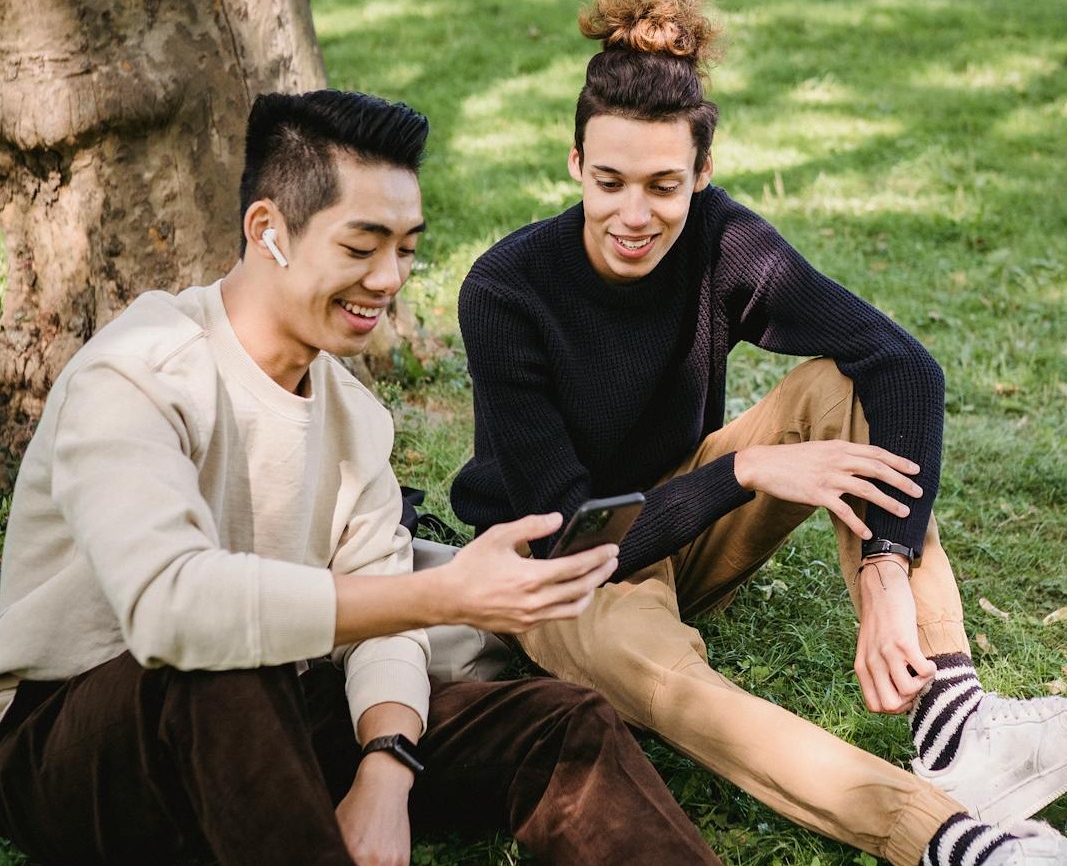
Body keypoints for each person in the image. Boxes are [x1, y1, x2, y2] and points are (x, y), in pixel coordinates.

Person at [450, 0, 1067, 866]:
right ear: (573, 165)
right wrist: (743, 474)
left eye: (665, 185)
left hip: (682, 519)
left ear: (702, 175)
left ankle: (955, 726)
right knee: (678, 685)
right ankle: (951, 839)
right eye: (610, 181)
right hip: (556, 573)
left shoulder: (720, 239)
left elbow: (900, 366)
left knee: (841, 383)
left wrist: (885, 567)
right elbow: (577, 545)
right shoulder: (505, 291)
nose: (635, 215)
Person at [0, 89, 725, 866]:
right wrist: (440, 592)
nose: (388, 278)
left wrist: (386, 767)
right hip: (80, 740)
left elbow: (382, 613)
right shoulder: (138, 370)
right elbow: (171, 610)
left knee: (559, 721)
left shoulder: (351, 412)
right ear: (267, 230)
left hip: (277, 701)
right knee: (225, 662)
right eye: (361, 246)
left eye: (406, 247)